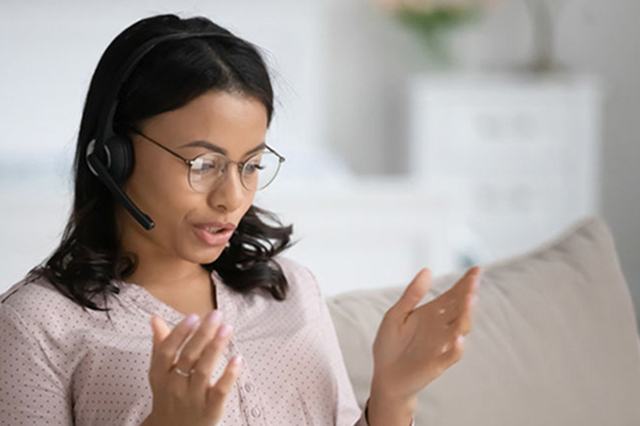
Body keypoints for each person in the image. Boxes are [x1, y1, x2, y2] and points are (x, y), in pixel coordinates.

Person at [0, 13, 482, 426]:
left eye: (250, 165)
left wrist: (393, 396)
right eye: (203, 165)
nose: (232, 198)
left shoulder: (290, 290)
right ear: (114, 157)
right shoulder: (36, 326)